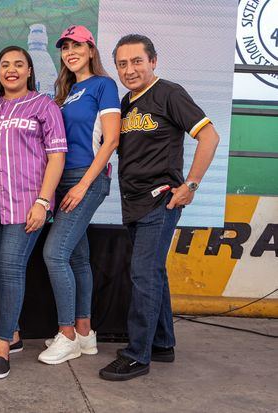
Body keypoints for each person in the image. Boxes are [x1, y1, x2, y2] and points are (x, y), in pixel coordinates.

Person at [99, 34, 219, 381]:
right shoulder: (126, 103)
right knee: (153, 274)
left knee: (143, 275)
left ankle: (137, 354)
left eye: (137, 61)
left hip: (160, 200)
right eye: (122, 63)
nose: (130, 69)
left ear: (153, 61)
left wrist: (191, 185)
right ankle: (162, 343)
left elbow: (209, 136)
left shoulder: (169, 93)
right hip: (132, 203)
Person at [0, 46, 66, 379]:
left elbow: (56, 156)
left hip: (27, 205)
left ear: (30, 70)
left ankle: (2, 346)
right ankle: (12, 333)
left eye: (19, 64)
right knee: (0, 271)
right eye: (4, 65)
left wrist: (43, 202)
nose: (11, 70)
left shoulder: (44, 105)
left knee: (12, 268)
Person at [37, 25, 120, 365]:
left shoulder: (104, 85)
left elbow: (111, 140)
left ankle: (67, 334)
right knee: (76, 258)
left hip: (85, 178)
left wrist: (84, 184)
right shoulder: (67, 91)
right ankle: (85, 334)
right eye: (65, 47)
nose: (70, 51)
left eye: (77, 45)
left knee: (54, 254)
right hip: (64, 179)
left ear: (90, 50)